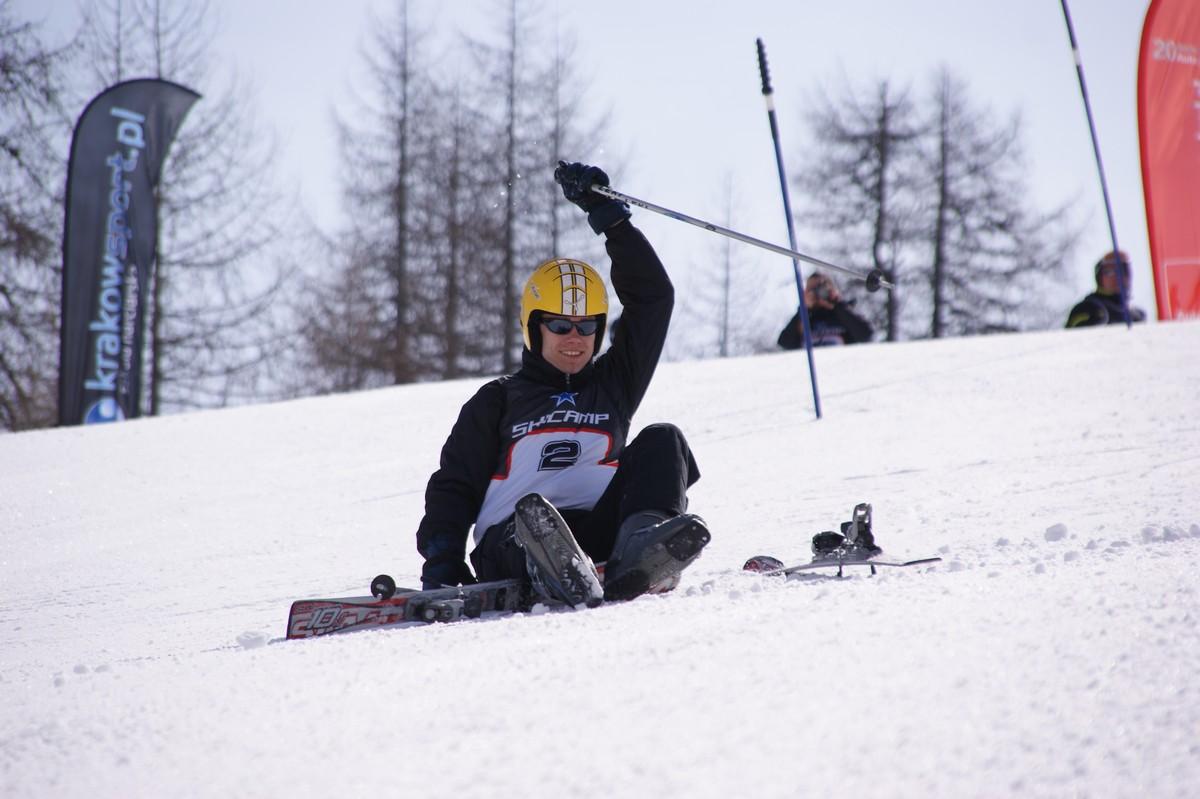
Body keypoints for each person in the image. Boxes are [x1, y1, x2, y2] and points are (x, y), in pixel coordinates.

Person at [415, 161, 709, 608]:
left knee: (663, 440)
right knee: (534, 518)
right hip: (513, 543)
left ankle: (641, 555)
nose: (575, 339)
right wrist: (443, 561)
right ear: (534, 327)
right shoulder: (498, 400)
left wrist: (610, 218)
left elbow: (653, 299)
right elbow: (453, 487)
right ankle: (552, 570)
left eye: (587, 327)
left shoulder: (614, 384)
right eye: (559, 325)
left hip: (597, 533)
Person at [777, 272, 873, 349]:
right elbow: (785, 343)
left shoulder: (842, 314)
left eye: (822, 287)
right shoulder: (804, 319)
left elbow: (866, 334)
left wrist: (837, 305)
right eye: (812, 290)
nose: (818, 293)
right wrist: (803, 310)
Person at [1065, 251, 1147, 328]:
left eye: (1123, 271)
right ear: (1099, 277)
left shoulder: (1137, 316)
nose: (1117, 276)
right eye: (1109, 272)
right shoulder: (1088, 309)